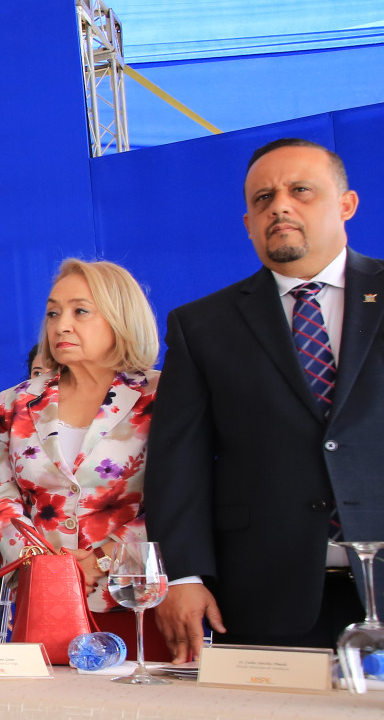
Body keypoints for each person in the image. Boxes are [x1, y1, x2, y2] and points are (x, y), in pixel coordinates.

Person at [150, 138, 382, 655]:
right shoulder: (201, 325)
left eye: (301, 191)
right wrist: (182, 573)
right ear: (248, 223)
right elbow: (179, 461)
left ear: (347, 204)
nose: (280, 206)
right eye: (263, 198)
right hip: (264, 595)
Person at [0, 260, 166, 659]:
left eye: (80, 311)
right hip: (43, 603)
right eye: (53, 313)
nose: (61, 325)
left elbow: (182, 498)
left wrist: (101, 558)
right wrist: (42, 566)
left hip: (133, 599)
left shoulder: (162, 394)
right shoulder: (16, 401)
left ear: (120, 317)